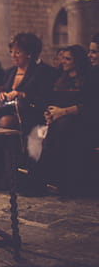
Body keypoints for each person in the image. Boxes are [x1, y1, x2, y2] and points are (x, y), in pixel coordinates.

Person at [37, 45, 95, 195]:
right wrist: (49, 115)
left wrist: (62, 113)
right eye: (63, 58)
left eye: (68, 59)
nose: (63, 61)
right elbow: (50, 102)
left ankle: (59, 181)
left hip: (83, 121)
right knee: (55, 127)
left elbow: (89, 106)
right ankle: (47, 178)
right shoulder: (60, 78)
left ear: (78, 62)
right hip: (60, 120)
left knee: (63, 126)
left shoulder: (89, 79)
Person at [0, 33, 58, 137]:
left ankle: (13, 153)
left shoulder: (43, 72)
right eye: (11, 52)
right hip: (9, 110)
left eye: (18, 52)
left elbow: (44, 99)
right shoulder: (9, 72)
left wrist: (22, 94)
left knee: (5, 121)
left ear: (29, 54)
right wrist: (2, 95)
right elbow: (5, 91)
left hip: (32, 112)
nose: (13, 56)